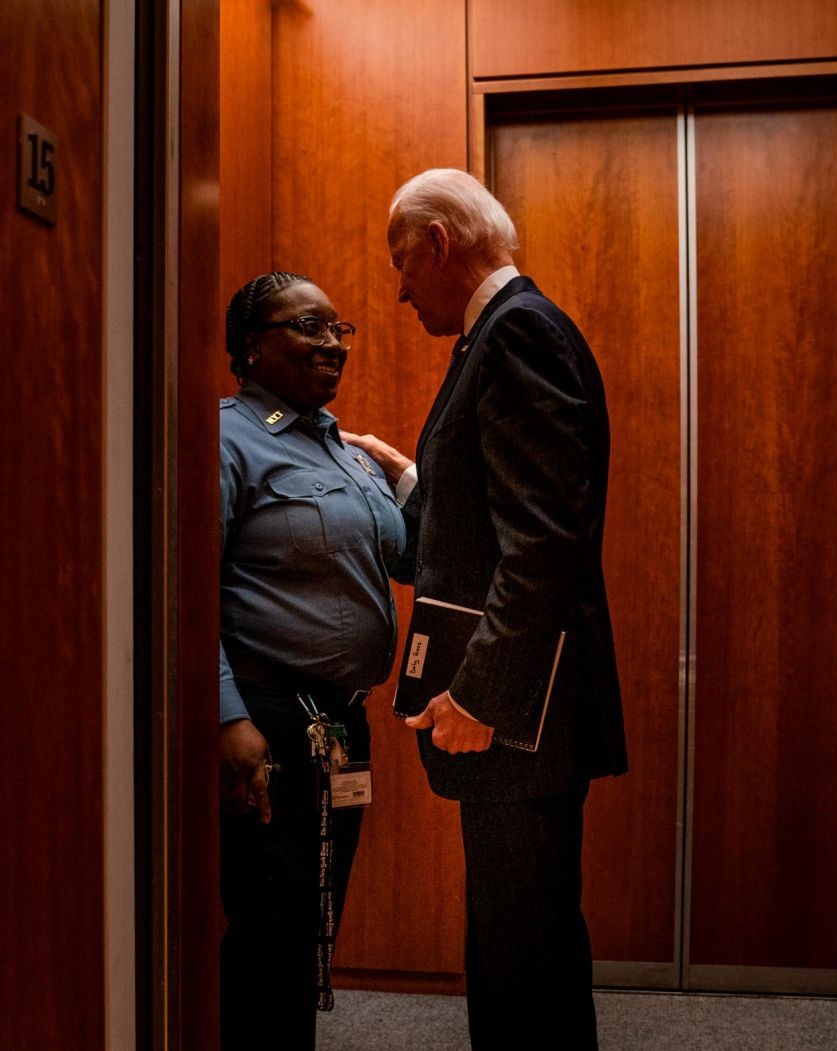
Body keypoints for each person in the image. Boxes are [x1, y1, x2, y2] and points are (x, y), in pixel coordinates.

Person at [344, 168, 628, 1049]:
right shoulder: (499, 336)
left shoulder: (517, 336)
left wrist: (479, 697)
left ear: (437, 244)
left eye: (402, 261)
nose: (398, 289)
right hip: (524, 715)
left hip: (519, 717)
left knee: (522, 955)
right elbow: (499, 509)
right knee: (522, 941)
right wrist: (410, 477)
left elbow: (542, 542)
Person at [217, 271, 416, 1049]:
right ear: (251, 347)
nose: (332, 343)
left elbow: (414, 558)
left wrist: (405, 476)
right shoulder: (228, 436)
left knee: (311, 922)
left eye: (339, 328)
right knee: (269, 929)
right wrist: (228, 715)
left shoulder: (346, 448)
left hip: (339, 726)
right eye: (308, 326)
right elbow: (183, 592)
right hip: (266, 721)